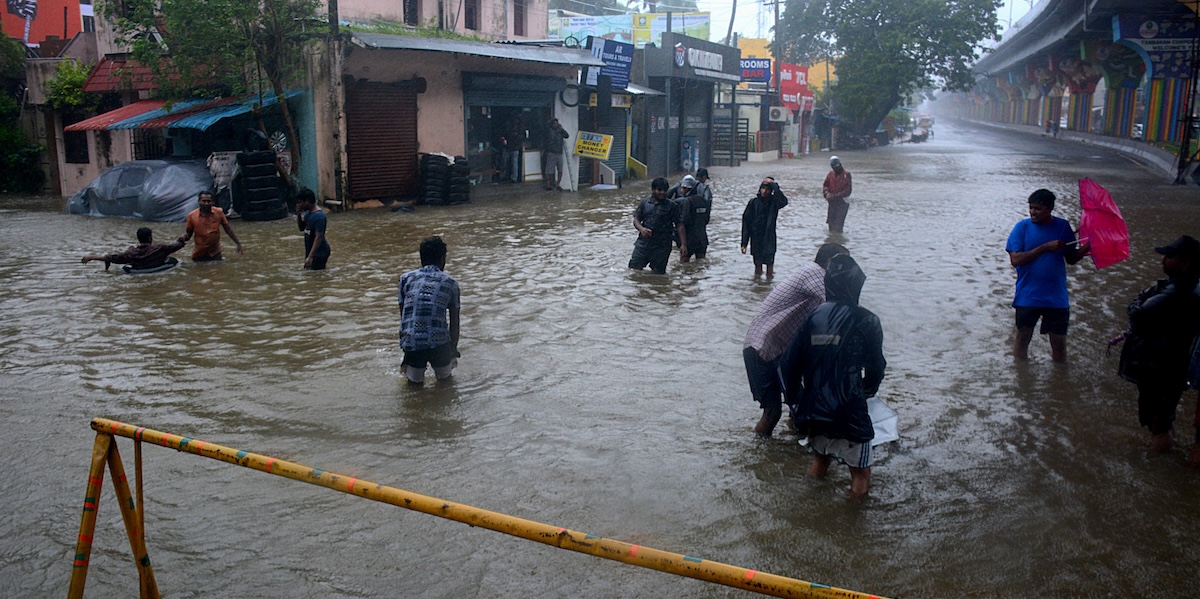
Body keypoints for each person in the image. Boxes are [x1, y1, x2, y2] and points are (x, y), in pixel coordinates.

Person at [780, 254, 886, 498]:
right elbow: (876, 366)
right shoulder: (867, 320)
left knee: (820, 461)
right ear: (857, 285)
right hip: (849, 411)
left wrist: (797, 401)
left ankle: (808, 506)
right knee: (860, 474)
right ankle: (851, 527)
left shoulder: (813, 317)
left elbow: (789, 364)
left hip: (814, 408)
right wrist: (866, 391)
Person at [743, 243, 848, 438]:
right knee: (773, 413)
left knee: (798, 404)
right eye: (843, 264)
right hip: (762, 349)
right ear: (829, 263)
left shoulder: (817, 280)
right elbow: (838, 308)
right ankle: (760, 453)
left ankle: (792, 449)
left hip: (778, 350)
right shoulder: (815, 274)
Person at [1116, 235, 1200, 453]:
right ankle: (1169, 454)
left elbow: (1138, 315)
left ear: (1186, 262)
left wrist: (1138, 300)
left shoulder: (1177, 291)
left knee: (1157, 423)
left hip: (1160, 367)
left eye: (1169, 256)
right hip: (1170, 365)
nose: (1163, 261)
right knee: (1163, 418)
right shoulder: (1188, 286)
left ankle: (1156, 465)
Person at [1005, 189, 1090, 362]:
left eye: (1037, 208)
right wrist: (1045, 247)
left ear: (1050, 208)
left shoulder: (1062, 227)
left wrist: (1088, 246)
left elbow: (1071, 258)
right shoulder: (1022, 227)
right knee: (1022, 339)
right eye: (1031, 208)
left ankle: (1059, 379)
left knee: (1059, 345)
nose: (1032, 212)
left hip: (1056, 297)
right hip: (1028, 296)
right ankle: (1021, 378)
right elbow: (1015, 259)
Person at [398, 236, 461, 384]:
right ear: (442, 259)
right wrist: (453, 350)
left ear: (421, 258)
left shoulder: (405, 279)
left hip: (412, 342)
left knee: (413, 387)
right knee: (446, 385)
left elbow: (405, 317)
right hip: (439, 343)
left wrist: (406, 346)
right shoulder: (451, 283)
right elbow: (454, 322)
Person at [629, 177, 686, 275]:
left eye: (664, 190)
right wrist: (642, 229)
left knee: (658, 275)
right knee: (634, 271)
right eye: (659, 190)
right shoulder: (645, 203)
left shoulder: (672, 206)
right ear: (653, 190)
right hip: (643, 244)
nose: (662, 193)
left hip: (662, 246)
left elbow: (679, 225)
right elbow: (636, 219)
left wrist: (683, 244)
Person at [740, 177, 788, 278]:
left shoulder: (774, 203)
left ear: (771, 191)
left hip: (769, 238)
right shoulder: (753, 203)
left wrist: (775, 186)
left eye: (767, 189)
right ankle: (758, 285)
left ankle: (768, 285)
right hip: (756, 238)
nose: (764, 191)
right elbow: (746, 223)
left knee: (770, 266)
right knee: (757, 266)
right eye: (762, 188)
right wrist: (744, 243)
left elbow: (784, 201)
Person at [81, 227, 185, 271]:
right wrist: (181, 239)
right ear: (150, 238)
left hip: (139, 271)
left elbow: (113, 258)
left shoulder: (131, 254)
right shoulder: (160, 249)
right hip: (158, 269)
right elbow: (176, 246)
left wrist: (91, 257)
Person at [180, 190, 244, 262]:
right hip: (199, 254)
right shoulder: (192, 216)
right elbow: (189, 234)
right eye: (204, 201)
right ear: (199, 202)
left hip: (215, 254)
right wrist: (183, 238)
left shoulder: (218, 213)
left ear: (212, 202)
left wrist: (238, 244)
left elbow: (228, 229)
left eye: (209, 201)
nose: (206, 203)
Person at [678, 175, 712, 262]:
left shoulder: (686, 201)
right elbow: (706, 219)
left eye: (682, 188)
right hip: (702, 240)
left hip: (689, 240)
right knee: (700, 265)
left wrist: (683, 244)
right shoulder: (703, 201)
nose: (681, 190)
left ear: (686, 188)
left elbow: (683, 223)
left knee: (683, 266)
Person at [296, 188, 330, 270]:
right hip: (311, 251)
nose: (299, 205)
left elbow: (318, 237)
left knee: (316, 277)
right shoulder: (308, 214)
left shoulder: (319, 217)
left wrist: (310, 257)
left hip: (319, 253)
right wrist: (298, 214)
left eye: (300, 202)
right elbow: (301, 228)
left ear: (307, 201)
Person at [822, 156, 852, 234]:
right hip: (832, 202)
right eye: (833, 167)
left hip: (842, 203)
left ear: (840, 165)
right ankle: (832, 239)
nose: (835, 169)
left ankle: (837, 240)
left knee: (838, 225)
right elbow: (825, 185)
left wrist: (836, 196)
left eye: (836, 166)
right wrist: (827, 193)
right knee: (831, 223)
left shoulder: (846, 175)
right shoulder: (830, 174)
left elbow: (847, 190)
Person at [543, 118, 569, 191]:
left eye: (556, 123)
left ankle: (558, 184)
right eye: (554, 123)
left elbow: (567, 135)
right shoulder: (549, 130)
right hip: (551, 152)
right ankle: (548, 184)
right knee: (549, 170)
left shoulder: (560, 131)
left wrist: (562, 129)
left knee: (560, 170)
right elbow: (546, 126)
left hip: (559, 153)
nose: (556, 125)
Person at [501, 115, 524, 184]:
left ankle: (514, 178)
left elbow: (523, 136)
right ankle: (503, 176)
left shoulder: (521, 128)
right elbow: (503, 135)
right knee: (504, 163)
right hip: (507, 147)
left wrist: (516, 136)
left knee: (514, 164)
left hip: (515, 148)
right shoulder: (508, 127)